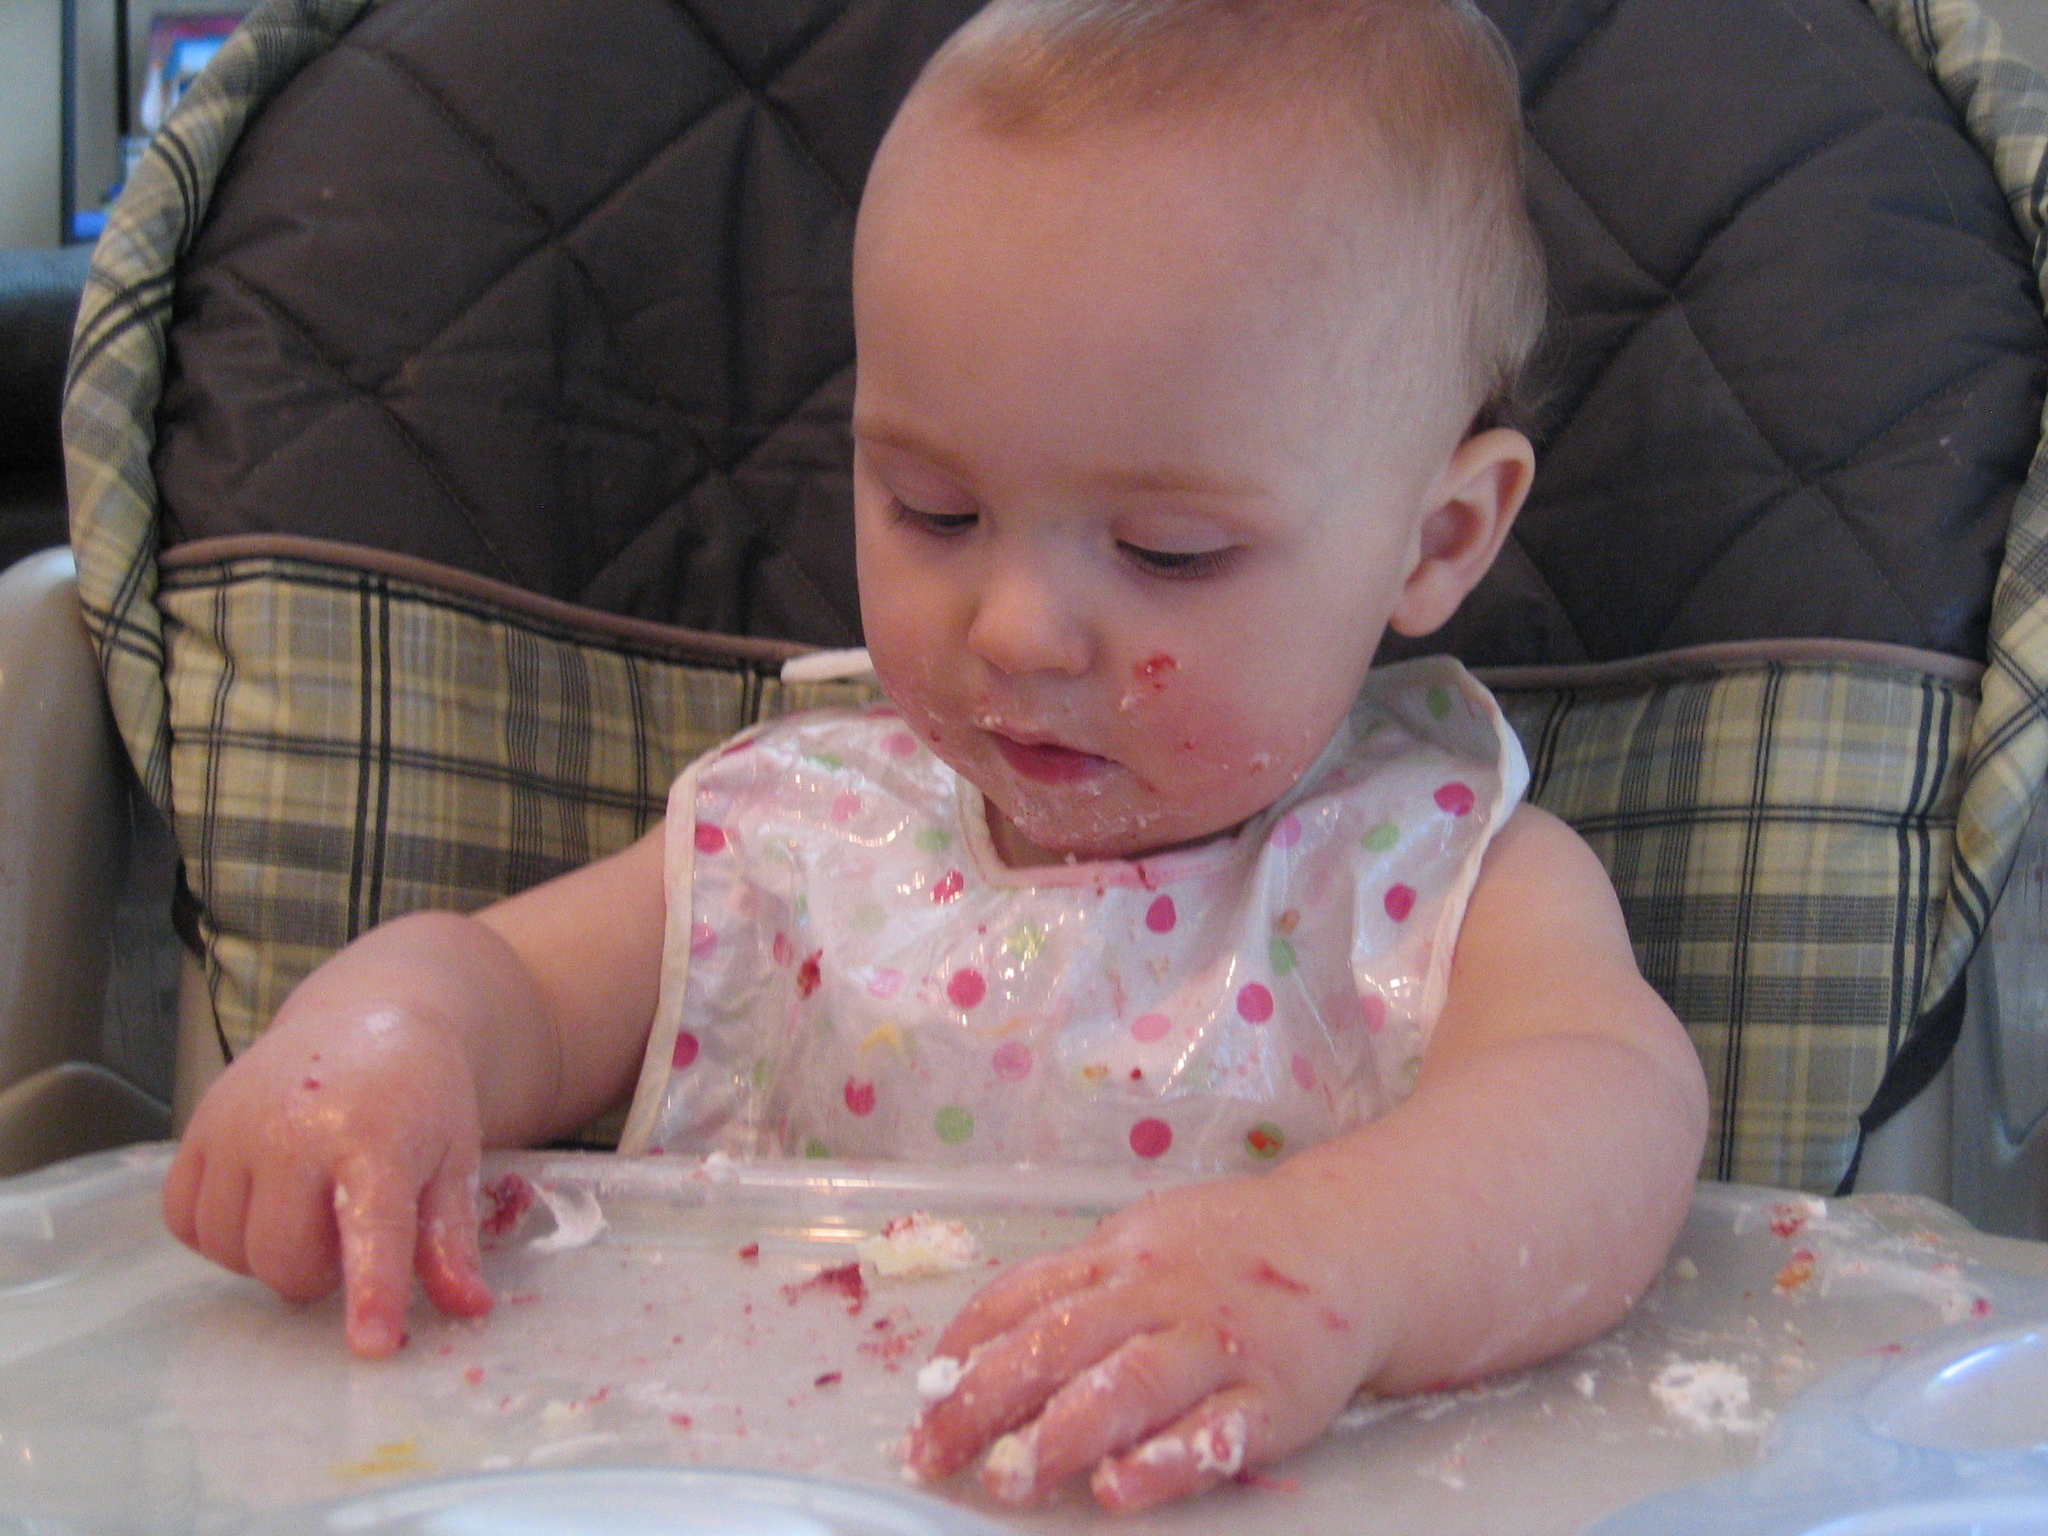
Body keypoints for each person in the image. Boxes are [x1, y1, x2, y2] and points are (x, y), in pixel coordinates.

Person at [162, 0, 1709, 1513]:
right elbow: (503, 988)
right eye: (935, 513)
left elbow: (1608, 1111)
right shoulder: (797, 838)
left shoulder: (1437, 881)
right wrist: (383, 1043)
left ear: (1435, 539)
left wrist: (1345, 1266)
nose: (1021, 629)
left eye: (1168, 552)